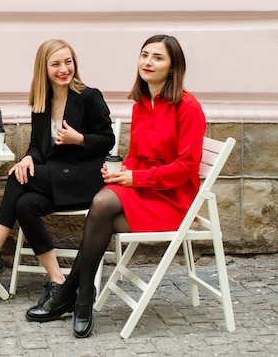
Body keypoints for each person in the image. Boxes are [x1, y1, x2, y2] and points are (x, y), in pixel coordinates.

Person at [26, 34, 206, 339]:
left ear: (174, 67)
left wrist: (134, 178)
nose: (148, 62)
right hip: (145, 191)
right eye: (145, 55)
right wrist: (123, 170)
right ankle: (81, 297)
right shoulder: (141, 105)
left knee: (100, 209)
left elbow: (186, 168)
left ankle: (73, 295)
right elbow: (136, 156)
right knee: (101, 205)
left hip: (173, 201)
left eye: (158, 58)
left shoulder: (187, 107)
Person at [0, 39, 115, 304]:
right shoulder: (42, 102)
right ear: (44, 68)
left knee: (17, 182)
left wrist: (80, 139)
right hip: (57, 178)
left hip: (85, 178)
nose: (64, 69)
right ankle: (58, 281)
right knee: (25, 204)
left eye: (68, 62)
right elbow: (37, 146)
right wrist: (28, 157)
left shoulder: (89, 96)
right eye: (56, 64)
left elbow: (107, 139)